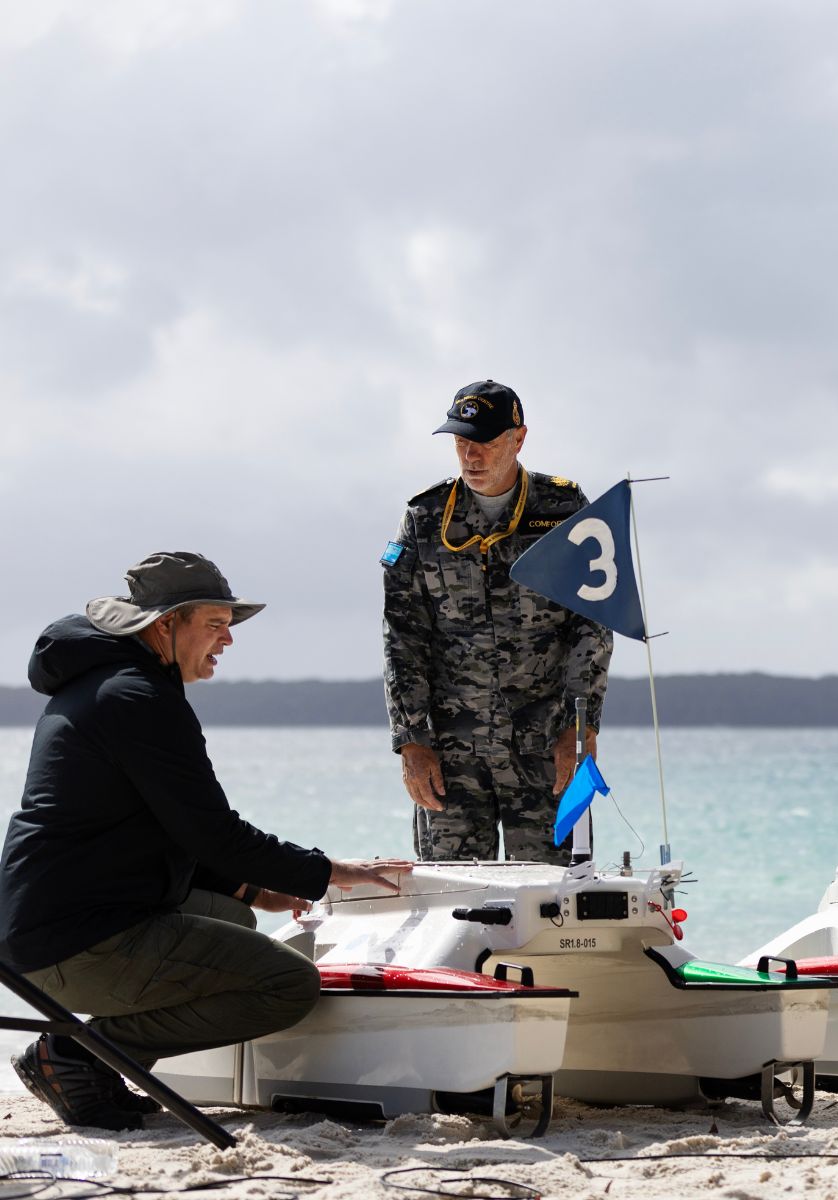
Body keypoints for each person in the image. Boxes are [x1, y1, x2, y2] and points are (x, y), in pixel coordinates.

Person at [0, 552, 412, 1132]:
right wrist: (328, 871)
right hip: (71, 940)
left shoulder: (110, 685)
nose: (228, 641)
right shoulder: (135, 698)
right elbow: (214, 831)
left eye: (230, 626)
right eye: (215, 625)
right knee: (287, 985)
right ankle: (75, 1055)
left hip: (49, 924)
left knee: (232, 916)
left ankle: (86, 1062)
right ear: (166, 625)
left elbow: (161, 827)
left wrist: (251, 887)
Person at [382, 379, 613, 862]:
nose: (471, 457)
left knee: (557, 901)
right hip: (451, 753)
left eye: (484, 443)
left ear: (519, 438)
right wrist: (411, 741)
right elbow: (403, 637)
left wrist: (581, 726)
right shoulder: (425, 519)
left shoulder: (564, 509)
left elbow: (590, 626)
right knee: (453, 903)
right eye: (462, 443)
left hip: (546, 748)